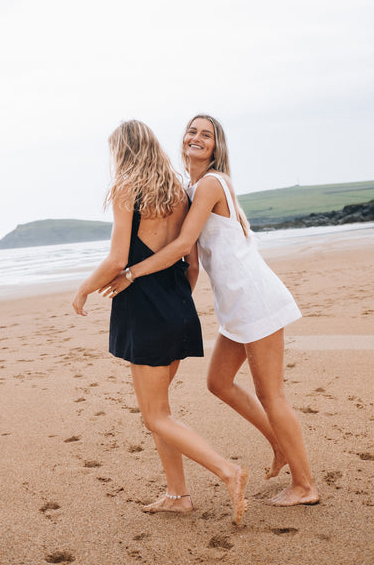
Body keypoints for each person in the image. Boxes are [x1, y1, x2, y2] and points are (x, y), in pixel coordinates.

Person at [102, 114, 319, 507]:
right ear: (182, 139)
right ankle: (278, 443)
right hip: (234, 304)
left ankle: (305, 485)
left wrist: (131, 273)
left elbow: (183, 244)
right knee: (218, 382)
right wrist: (175, 305)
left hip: (254, 296)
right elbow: (193, 262)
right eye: (192, 131)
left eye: (207, 134)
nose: (197, 138)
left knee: (272, 394)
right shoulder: (188, 188)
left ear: (217, 147)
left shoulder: (211, 184)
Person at [72, 120, 248, 524]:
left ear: (121, 151)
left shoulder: (126, 188)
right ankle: (177, 495)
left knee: (155, 416)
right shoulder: (177, 192)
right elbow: (190, 263)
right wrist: (177, 303)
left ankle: (228, 471)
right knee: (160, 412)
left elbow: (119, 259)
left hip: (146, 310)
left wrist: (83, 290)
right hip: (177, 306)